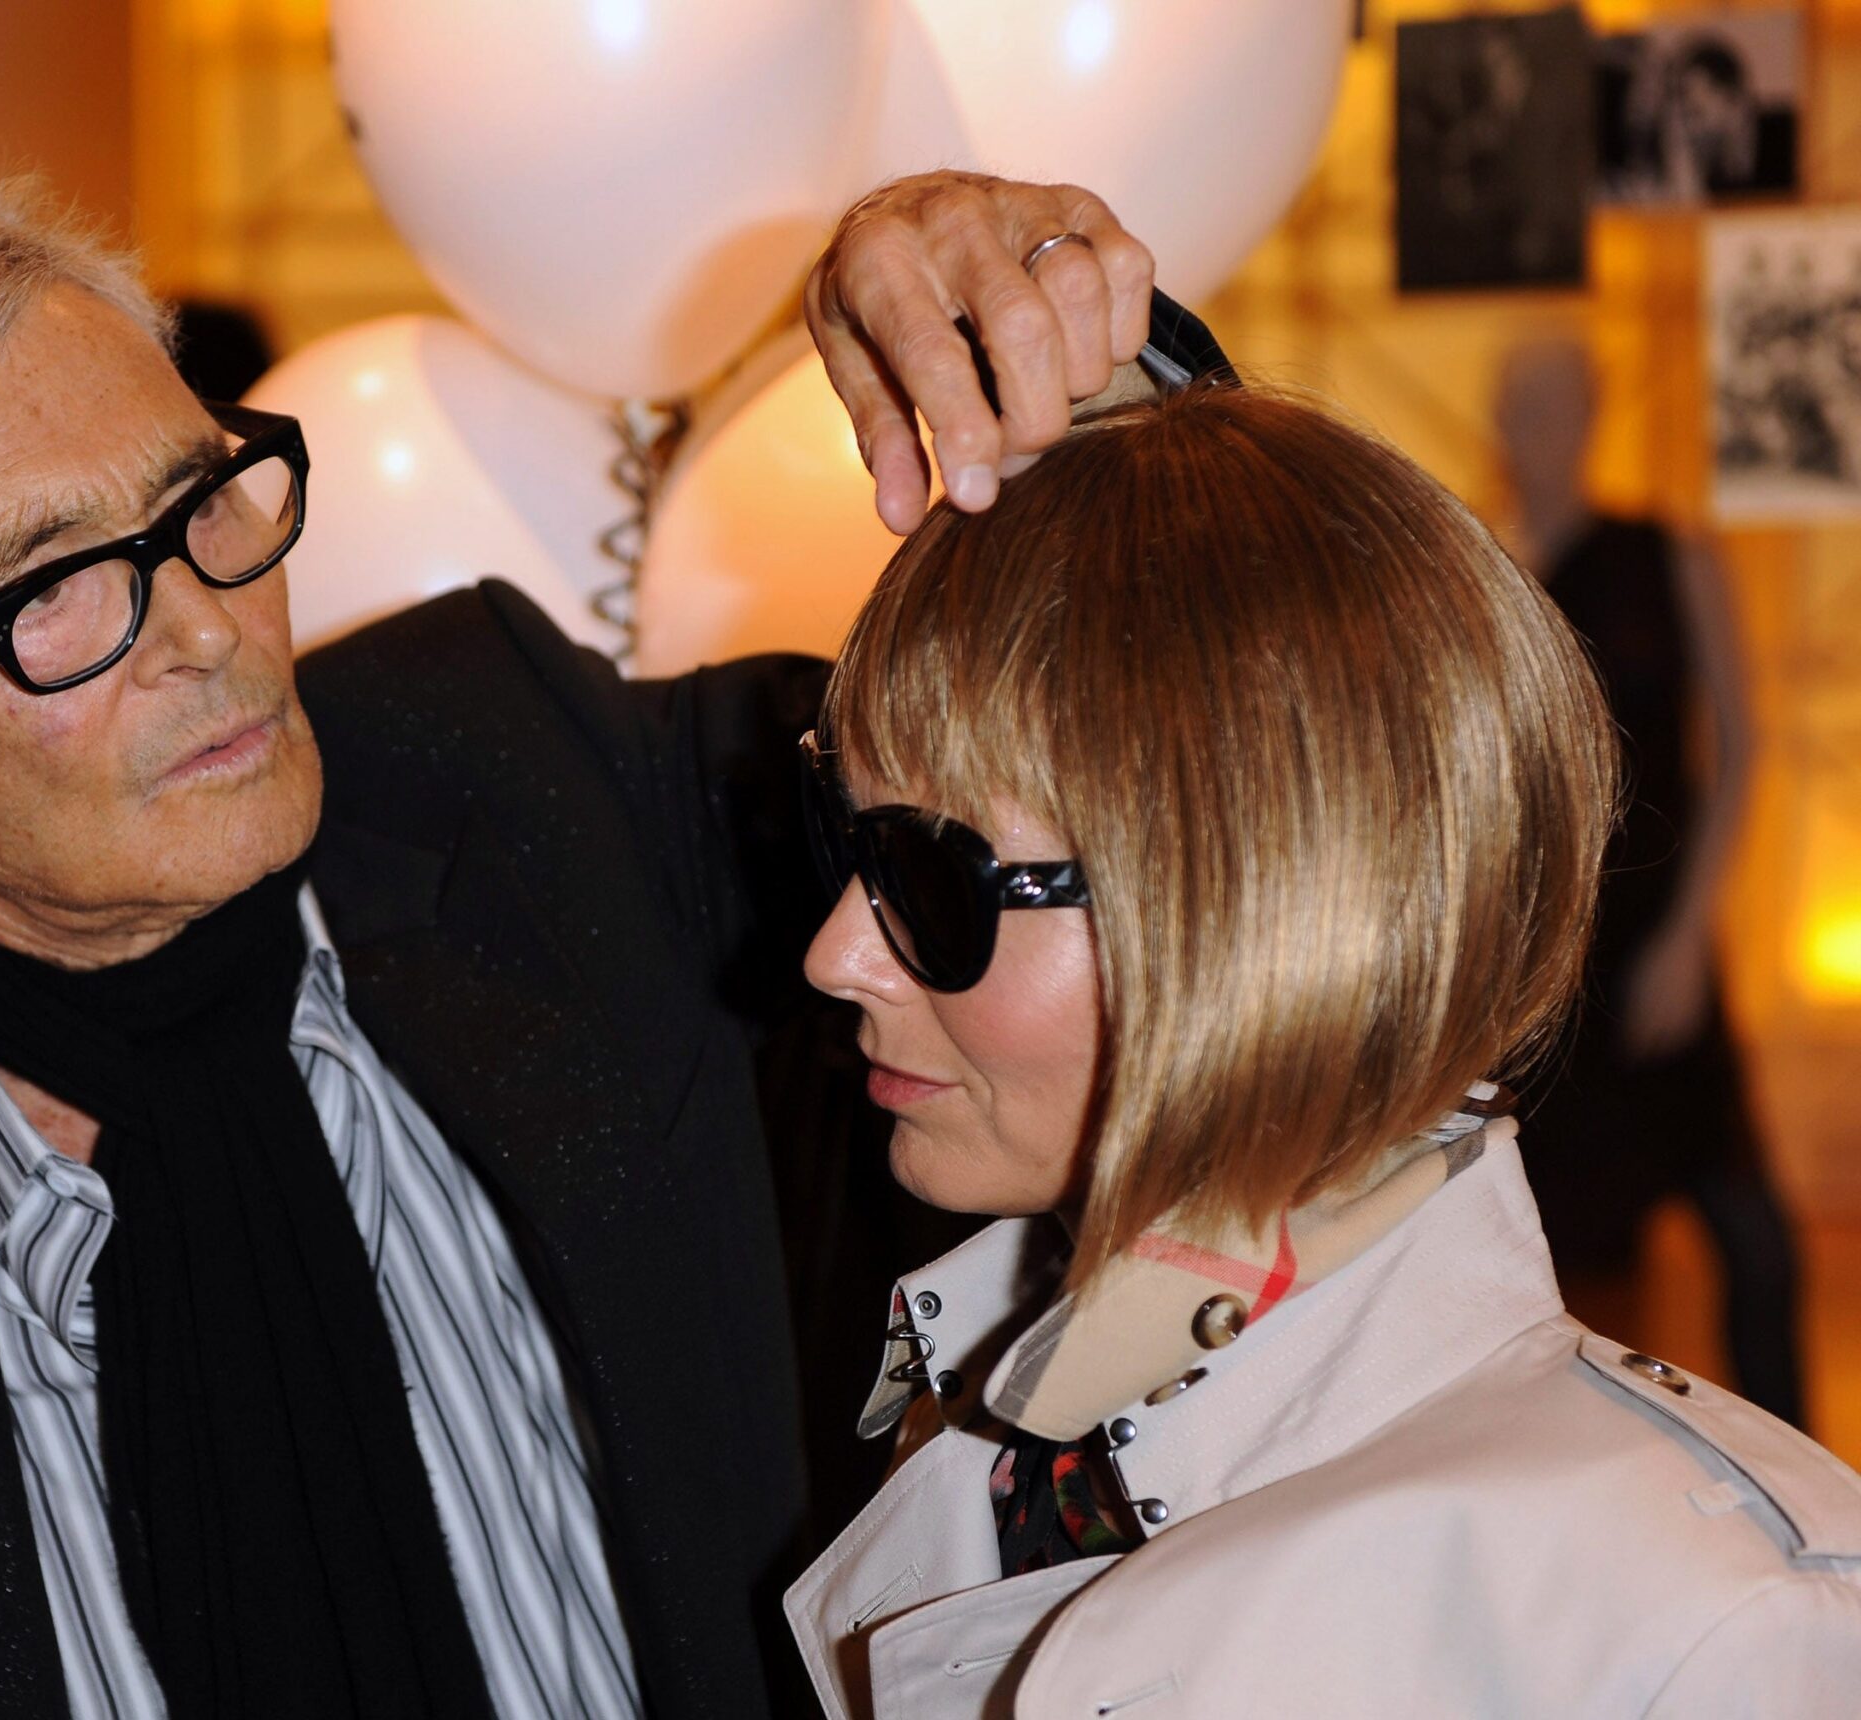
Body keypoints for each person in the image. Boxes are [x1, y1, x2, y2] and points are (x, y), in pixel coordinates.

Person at [0, 170, 1153, 1719]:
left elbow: (1128, 762)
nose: (203, 631)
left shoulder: (536, 789)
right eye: (49, 592)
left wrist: (1076, 379)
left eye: (201, 503)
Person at [785, 380, 1861, 1717]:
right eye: (842, 840)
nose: (835, 952)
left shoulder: (1697, 1637)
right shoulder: (999, 1432)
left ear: (1257, 910)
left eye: (927, 879)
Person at [1498, 336, 1807, 1429]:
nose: (1534, 429)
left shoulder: (1665, 553)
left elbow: (1743, 744)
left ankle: (1800, 1473)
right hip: (1545, 958)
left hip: (1658, 929)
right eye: (1517, 405)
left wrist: (1688, 933)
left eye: (1554, 403)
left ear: (1591, 415)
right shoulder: (1489, 569)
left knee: (1753, 1239)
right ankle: (1589, 1483)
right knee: (1565, 1262)